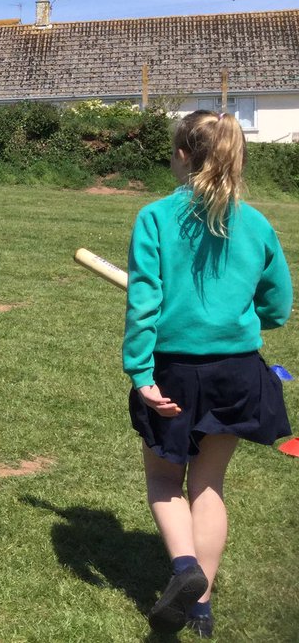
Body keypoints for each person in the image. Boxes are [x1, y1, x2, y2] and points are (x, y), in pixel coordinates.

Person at [123, 111, 292, 637]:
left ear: (180, 155)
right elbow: (279, 305)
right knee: (210, 483)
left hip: (174, 371)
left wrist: (139, 370)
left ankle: (185, 569)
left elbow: (144, 304)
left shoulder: (154, 217)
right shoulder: (258, 223)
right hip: (238, 371)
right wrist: (238, 321)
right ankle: (201, 607)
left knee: (163, 476)